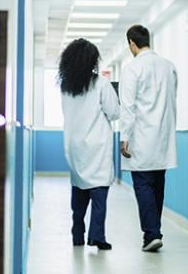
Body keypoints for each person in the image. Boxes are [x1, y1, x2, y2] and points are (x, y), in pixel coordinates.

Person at [118, 24, 177, 253]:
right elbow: (172, 100)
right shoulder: (169, 67)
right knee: (157, 186)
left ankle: (152, 234)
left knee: (142, 185)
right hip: (163, 137)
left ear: (132, 44)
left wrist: (124, 137)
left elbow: (128, 107)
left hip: (141, 137)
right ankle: (154, 231)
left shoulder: (132, 69)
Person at [58, 37, 120, 251]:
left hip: (74, 146)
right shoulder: (101, 84)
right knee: (99, 193)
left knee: (79, 190)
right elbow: (114, 112)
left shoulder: (66, 87)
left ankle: (77, 233)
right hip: (97, 146)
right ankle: (97, 236)